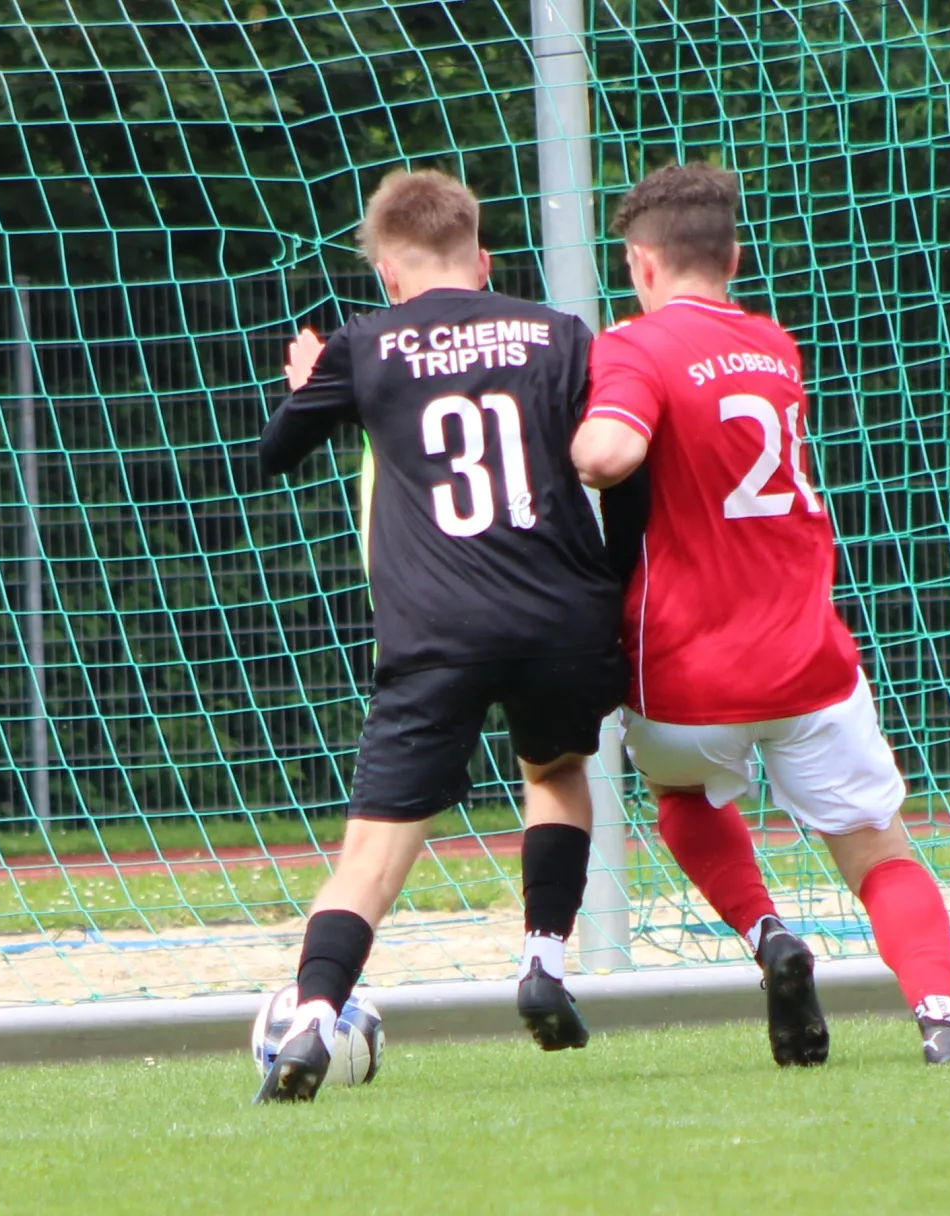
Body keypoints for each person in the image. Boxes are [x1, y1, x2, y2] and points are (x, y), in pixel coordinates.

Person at [571, 163, 950, 1066]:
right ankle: (943, 1020)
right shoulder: (774, 347)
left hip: (684, 672)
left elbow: (606, 454)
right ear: (733, 258)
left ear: (641, 263)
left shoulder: (633, 346)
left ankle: (769, 936)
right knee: (879, 851)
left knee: (683, 796)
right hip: (805, 660)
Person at [254, 168, 628, 1102]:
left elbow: (275, 453)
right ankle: (543, 962)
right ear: (483, 259)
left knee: (373, 851)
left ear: (387, 273)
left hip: (435, 630)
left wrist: (307, 386)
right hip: (561, 614)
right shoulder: (559, 332)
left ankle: (313, 1018)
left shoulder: (365, 342)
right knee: (555, 772)